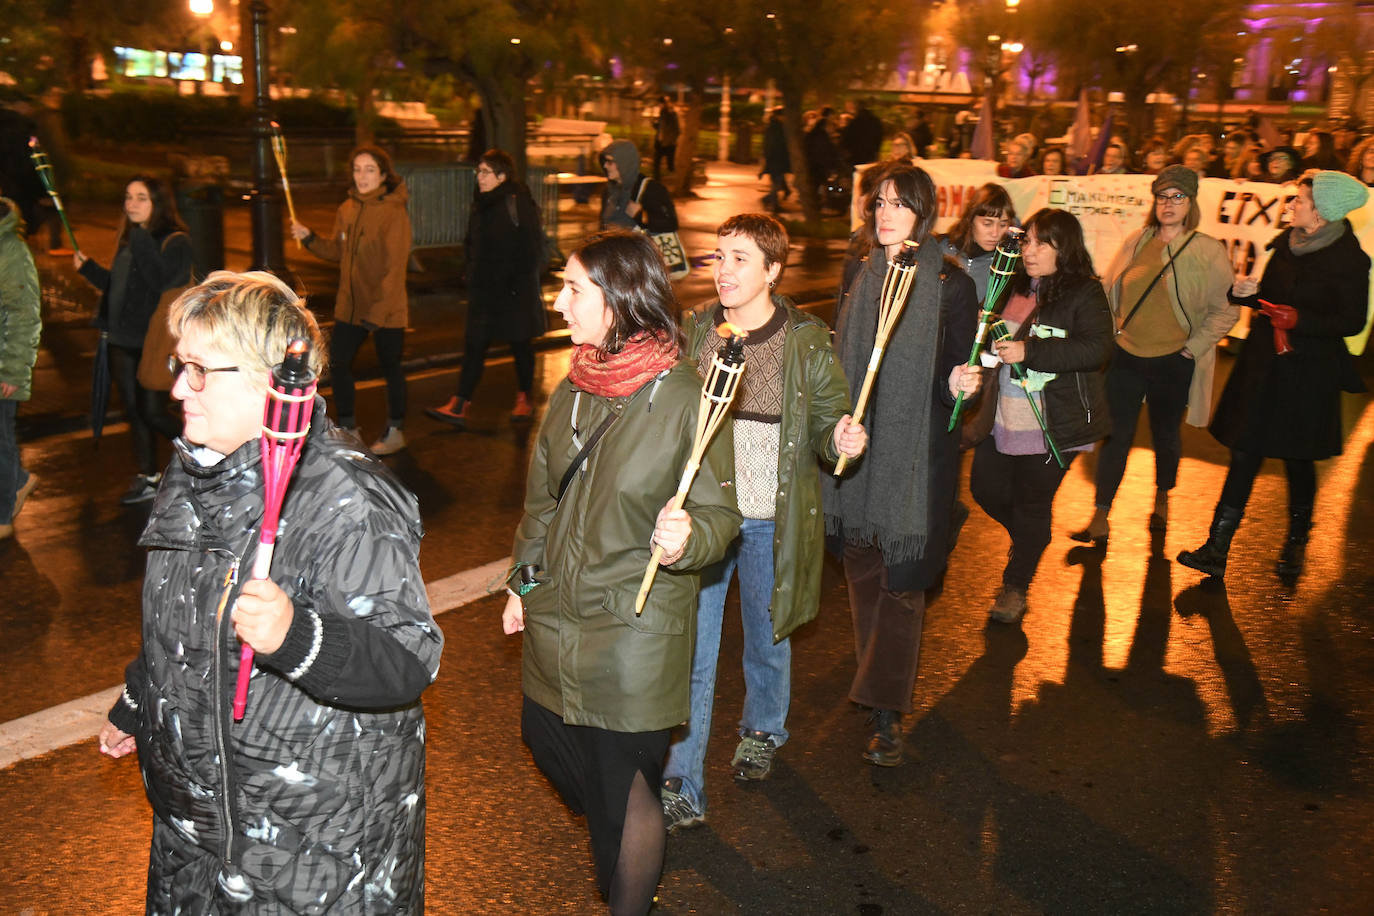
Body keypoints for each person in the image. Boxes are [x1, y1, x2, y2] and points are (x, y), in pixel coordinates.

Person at [97, 270, 442, 912]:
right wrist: (140, 699)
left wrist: (297, 637)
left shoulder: (346, 501)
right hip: (196, 840)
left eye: (200, 370)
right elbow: (183, 620)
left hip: (312, 858)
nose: (178, 387)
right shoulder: (192, 472)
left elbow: (405, 663)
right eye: (180, 365)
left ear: (269, 381)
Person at [502, 230, 741, 914]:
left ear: (619, 298)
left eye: (574, 288)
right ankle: (627, 867)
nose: (559, 302)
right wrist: (522, 582)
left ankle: (628, 897)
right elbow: (543, 500)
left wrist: (689, 535)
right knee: (543, 736)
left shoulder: (686, 397)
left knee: (620, 782)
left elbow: (720, 514)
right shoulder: (574, 389)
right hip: (560, 609)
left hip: (637, 624)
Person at [660, 214, 866, 831]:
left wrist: (842, 439)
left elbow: (831, 422)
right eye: (719, 257)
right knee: (692, 650)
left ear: (773, 269)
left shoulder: (805, 339)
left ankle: (762, 728)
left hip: (771, 517)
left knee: (767, 634)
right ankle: (682, 780)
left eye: (740, 258)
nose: (723, 270)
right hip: (705, 520)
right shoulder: (697, 329)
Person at [821, 161, 982, 767]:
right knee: (863, 566)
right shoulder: (859, 272)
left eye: (899, 203)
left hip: (915, 456)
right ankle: (877, 680)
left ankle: (886, 711)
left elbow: (957, 381)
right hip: (859, 444)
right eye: (880, 202)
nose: (886, 213)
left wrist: (962, 384)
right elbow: (839, 355)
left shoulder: (950, 283)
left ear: (923, 211)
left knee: (903, 578)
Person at [1178, 171, 1370, 581]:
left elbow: (1352, 321)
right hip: (1265, 367)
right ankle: (1216, 548)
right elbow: (1271, 293)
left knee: (1298, 461)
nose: (1290, 206)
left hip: (1308, 374)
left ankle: (1297, 539)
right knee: (1245, 452)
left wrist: (1302, 319)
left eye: (1298, 201)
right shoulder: (1286, 244)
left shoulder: (1350, 260)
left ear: (1320, 212)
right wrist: (1246, 293)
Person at [1071, 165, 1237, 546]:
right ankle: (1100, 515)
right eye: (1162, 197)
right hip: (1126, 354)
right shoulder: (1137, 240)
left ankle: (1162, 498)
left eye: (1177, 197)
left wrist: (1190, 349)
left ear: (1191, 203)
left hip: (1172, 361)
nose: (1168, 204)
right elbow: (1110, 292)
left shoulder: (1207, 250)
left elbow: (1226, 310)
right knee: (1115, 435)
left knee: (1165, 435)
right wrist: (1108, 331)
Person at [969, 208, 1114, 623]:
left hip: (1055, 422)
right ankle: (1030, 539)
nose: (1029, 250)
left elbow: (1097, 349)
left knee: (1032, 504)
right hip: (1002, 418)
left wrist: (1030, 351)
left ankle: (1014, 587)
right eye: (1027, 241)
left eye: (1041, 242)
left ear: (1063, 248)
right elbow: (987, 338)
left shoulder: (1084, 293)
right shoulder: (1009, 284)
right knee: (985, 489)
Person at [75, 175, 193, 504]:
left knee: (153, 411)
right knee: (134, 411)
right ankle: (149, 475)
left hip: (152, 341)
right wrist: (89, 270)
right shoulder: (131, 238)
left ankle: (203, 450)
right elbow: (122, 286)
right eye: (128, 197)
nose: (132, 204)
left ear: (158, 203)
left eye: (141, 198)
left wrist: (141, 239)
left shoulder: (175, 240)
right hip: (120, 339)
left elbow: (159, 281)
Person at [291, 145, 412, 455]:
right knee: (339, 363)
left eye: (370, 169)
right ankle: (349, 429)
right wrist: (309, 238)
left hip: (385, 309)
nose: (362, 176)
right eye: (358, 169)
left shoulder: (394, 213)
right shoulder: (346, 209)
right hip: (350, 306)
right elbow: (337, 251)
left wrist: (378, 311)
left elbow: (394, 268)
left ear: (384, 175)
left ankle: (396, 429)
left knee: (391, 366)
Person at [426, 149, 546, 429]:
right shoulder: (482, 203)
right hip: (484, 290)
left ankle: (524, 398)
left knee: (520, 346)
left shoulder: (517, 201)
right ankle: (459, 404)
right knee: (474, 345)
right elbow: (473, 241)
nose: (479, 178)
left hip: (513, 291)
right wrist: (470, 269)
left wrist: (514, 280)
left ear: (501, 176)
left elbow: (531, 246)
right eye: (478, 172)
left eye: (485, 172)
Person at [0, 195, 40, 541]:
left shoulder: (11, 249)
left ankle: (2, 516)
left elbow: (24, 312)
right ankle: (17, 480)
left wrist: (13, 370)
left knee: (0, 439)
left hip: (1, 363)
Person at [938, 182, 1017, 303]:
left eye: (1003, 224)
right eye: (987, 224)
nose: (995, 233)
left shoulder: (1006, 265)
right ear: (970, 219)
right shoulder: (940, 248)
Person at [598, 138, 678, 234]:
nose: (605, 166)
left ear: (624, 163)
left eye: (610, 162)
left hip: (640, 248)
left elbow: (671, 224)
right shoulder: (608, 191)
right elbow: (603, 227)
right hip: (615, 248)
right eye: (604, 161)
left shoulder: (651, 189)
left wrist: (641, 216)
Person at [760, 108, 791, 212]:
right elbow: (773, 145)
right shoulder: (776, 128)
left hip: (776, 160)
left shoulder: (775, 127)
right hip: (776, 160)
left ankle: (771, 201)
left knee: (777, 182)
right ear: (779, 116)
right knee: (776, 183)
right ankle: (772, 203)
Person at [840, 99, 884, 168]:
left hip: (856, 154)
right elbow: (879, 137)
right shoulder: (875, 121)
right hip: (870, 153)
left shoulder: (855, 122)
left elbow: (846, 138)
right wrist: (876, 150)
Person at [653, 95, 680, 180]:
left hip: (669, 144)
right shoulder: (662, 114)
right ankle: (657, 181)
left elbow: (676, 130)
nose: (659, 106)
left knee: (670, 165)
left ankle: (674, 182)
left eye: (660, 104)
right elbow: (661, 128)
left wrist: (670, 140)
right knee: (656, 163)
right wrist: (655, 125)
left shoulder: (671, 114)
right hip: (660, 143)